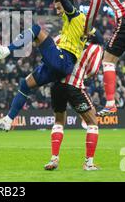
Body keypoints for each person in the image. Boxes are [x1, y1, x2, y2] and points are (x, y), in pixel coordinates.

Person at [0, 0, 98, 131]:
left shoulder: (76, 16)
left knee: (36, 29)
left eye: (59, 8)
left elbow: (67, 4)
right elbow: (95, 35)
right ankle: (8, 120)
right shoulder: (73, 24)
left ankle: (6, 50)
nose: (57, 11)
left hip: (64, 60)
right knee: (25, 84)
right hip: (59, 67)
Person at [44, 41, 104, 171]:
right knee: (92, 121)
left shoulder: (61, 38)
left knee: (59, 121)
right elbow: (93, 70)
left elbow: (49, 57)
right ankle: (89, 163)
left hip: (56, 86)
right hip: (74, 86)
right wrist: (82, 74)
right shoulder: (94, 48)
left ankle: (54, 158)